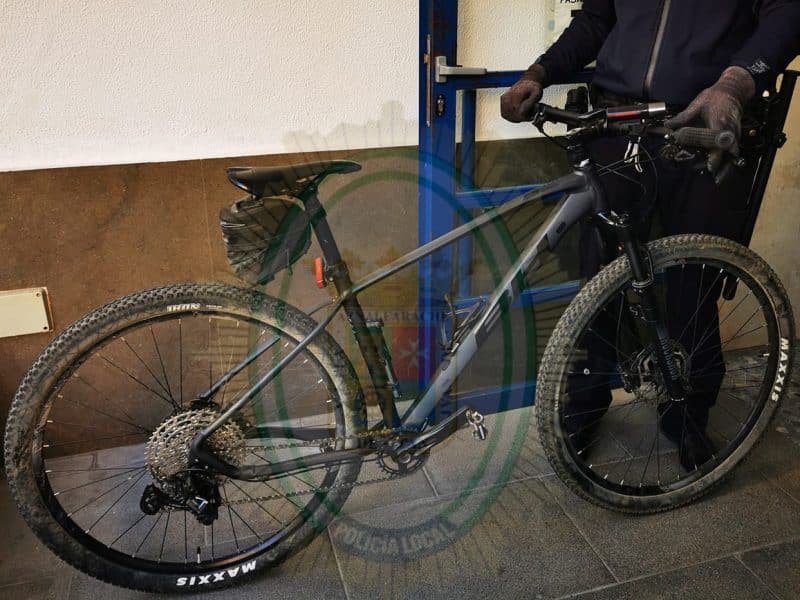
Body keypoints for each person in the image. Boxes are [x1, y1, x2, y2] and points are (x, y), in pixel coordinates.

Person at [501, 1, 800, 470]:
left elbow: (788, 14)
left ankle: (688, 416)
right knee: (599, 276)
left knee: (693, 279)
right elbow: (597, 19)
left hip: (700, 124)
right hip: (615, 124)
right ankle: (586, 401)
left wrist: (735, 82)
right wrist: (539, 71)